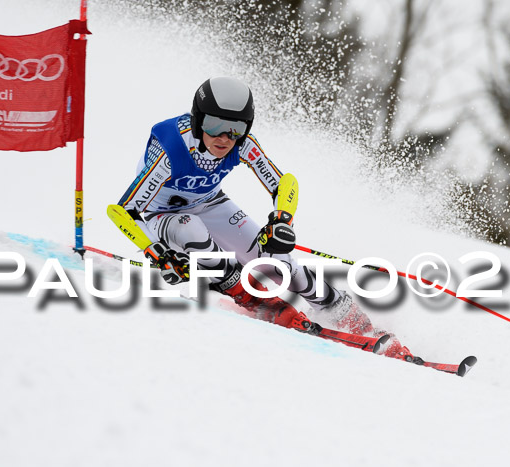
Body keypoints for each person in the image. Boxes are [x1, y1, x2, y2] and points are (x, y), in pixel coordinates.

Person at [114, 77, 415, 361]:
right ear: (197, 121)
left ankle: (351, 318)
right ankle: (255, 300)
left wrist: (282, 220)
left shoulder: (243, 144)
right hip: (162, 213)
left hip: (211, 203)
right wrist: (155, 251)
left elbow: (285, 183)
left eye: (236, 128)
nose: (224, 137)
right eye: (215, 124)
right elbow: (123, 210)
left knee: (278, 263)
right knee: (191, 230)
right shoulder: (171, 151)